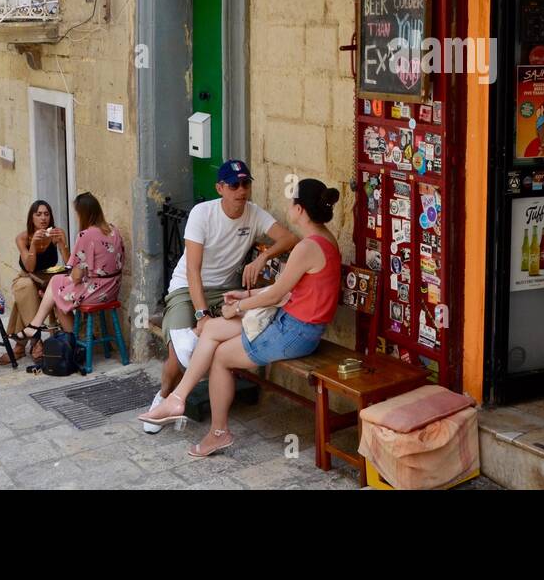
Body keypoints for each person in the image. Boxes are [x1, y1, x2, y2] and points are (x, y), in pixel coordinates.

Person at [139, 179, 343, 458]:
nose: (288, 207)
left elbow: (277, 295)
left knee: (221, 356)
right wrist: (243, 294)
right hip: (294, 323)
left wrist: (239, 307)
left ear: (299, 209)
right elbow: (286, 289)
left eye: (291, 202)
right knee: (211, 329)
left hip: (295, 331)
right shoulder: (324, 239)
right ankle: (177, 399)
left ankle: (216, 433)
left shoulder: (307, 247)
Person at [145, 159, 298, 434]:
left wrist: (263, 257)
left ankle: (207, 415)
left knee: (216, 341)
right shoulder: (202, 214)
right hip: (187, 286)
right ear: (220, 188)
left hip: (224, 290)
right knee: (178, 352)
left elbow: (289, 239)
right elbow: (193, 269)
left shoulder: (254, 213)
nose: (241, 190)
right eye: (234, 185)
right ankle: (164, 397)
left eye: (246, 184)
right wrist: (201, 314)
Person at [20, 193, 124, 348]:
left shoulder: (85, 235)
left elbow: (76, 276)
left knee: (57, 293)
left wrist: (61, 287)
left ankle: (71, 344)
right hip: (113, 287)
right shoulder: (113, 230)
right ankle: (35, 326)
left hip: (97, 291)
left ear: (83, 214)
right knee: (57, 287)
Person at [0, 200, 70, 364]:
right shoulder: (22, 238)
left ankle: (19, 347)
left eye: (46, 214)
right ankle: (37, 342)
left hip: (47, 279)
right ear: (32, 218)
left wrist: (62, 244)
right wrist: (34, 246)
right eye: (38, 214)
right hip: (26, 277)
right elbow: (29, 268)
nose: (43, 218)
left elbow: (68, 265)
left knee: (24, 300)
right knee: (27, 288)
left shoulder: (56, 234)